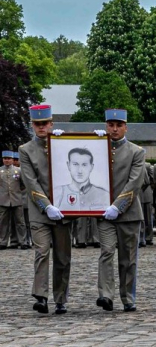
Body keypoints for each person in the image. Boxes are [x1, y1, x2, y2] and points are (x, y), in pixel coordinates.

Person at [19, 105, 73, 314]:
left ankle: (60, 298)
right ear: (32, 125)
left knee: (62, 256)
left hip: (64, 208)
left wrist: (93, 140)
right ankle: (41, 296)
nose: (41, 127)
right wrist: (46, 205)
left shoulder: (62, 143)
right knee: (41, 252)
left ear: (52, 124)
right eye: (37, 124)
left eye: (45, 123)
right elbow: (30, 182)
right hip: (40, 211)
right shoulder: (25, 150)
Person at [94, 109, 145, 313]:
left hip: (129, 213)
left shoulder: (136, 151)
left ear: (126, 127)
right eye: (110, 125)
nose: (114, 129)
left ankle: (128, 297)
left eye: (118, 125)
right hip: (103, 212)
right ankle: (106, 295)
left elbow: (134, 182)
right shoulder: (98, 148)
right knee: (106, 252)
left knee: (128, 258)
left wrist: (118, 206)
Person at [53, 147, 111, 211]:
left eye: (84, 165)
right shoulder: (58, 193)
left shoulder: (103, 194)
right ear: (68, 165)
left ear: (91, 167)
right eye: (75, 164)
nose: (79, 171)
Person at [0, 150, 27, 250]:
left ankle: (23, 241)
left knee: (20, 222)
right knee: (3, 222)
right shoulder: (0, 171)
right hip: (3, 200)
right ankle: (3, 241)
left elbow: (23, 184)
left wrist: (17, 191)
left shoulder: (18, 170)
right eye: (5, 159)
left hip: (16, 199)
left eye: (9, 159)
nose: (7, 161)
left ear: (12, 160)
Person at [138, 160, 154, 247]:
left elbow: (151, 180)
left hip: (146, 193)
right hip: (138, 193)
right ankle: (141, 238)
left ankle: (148, 237)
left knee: (148, 218)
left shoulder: (147, 166)